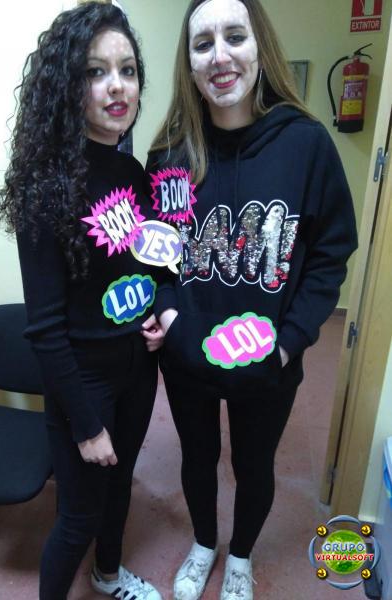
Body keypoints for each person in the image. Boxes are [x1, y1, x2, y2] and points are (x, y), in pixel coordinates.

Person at [146, 1, 358, 599]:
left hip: (268, 361)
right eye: (203, 44)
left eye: (234, 36)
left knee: (254, 466)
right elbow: (154, 256)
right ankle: (204, 543)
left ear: (259, 47)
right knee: (197, 458)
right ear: (189, 65)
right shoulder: (169, 155)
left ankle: (239, 555)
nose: (220, 56)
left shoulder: (306, 144)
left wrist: (289, 344)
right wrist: (170, 318)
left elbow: (331, 252)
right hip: (187, 357)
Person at [0, 3, 165, 599]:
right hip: (83, 383)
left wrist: (151, 313)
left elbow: (133, 267)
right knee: (77, 517)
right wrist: (86, 425)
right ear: (69, 86)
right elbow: (44, 329)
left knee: (120, 487)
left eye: (127, 70)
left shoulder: (132, 172)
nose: (117, 86)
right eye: (96, 72)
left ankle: (109, 575)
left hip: (138, 369)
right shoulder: (46, 188)